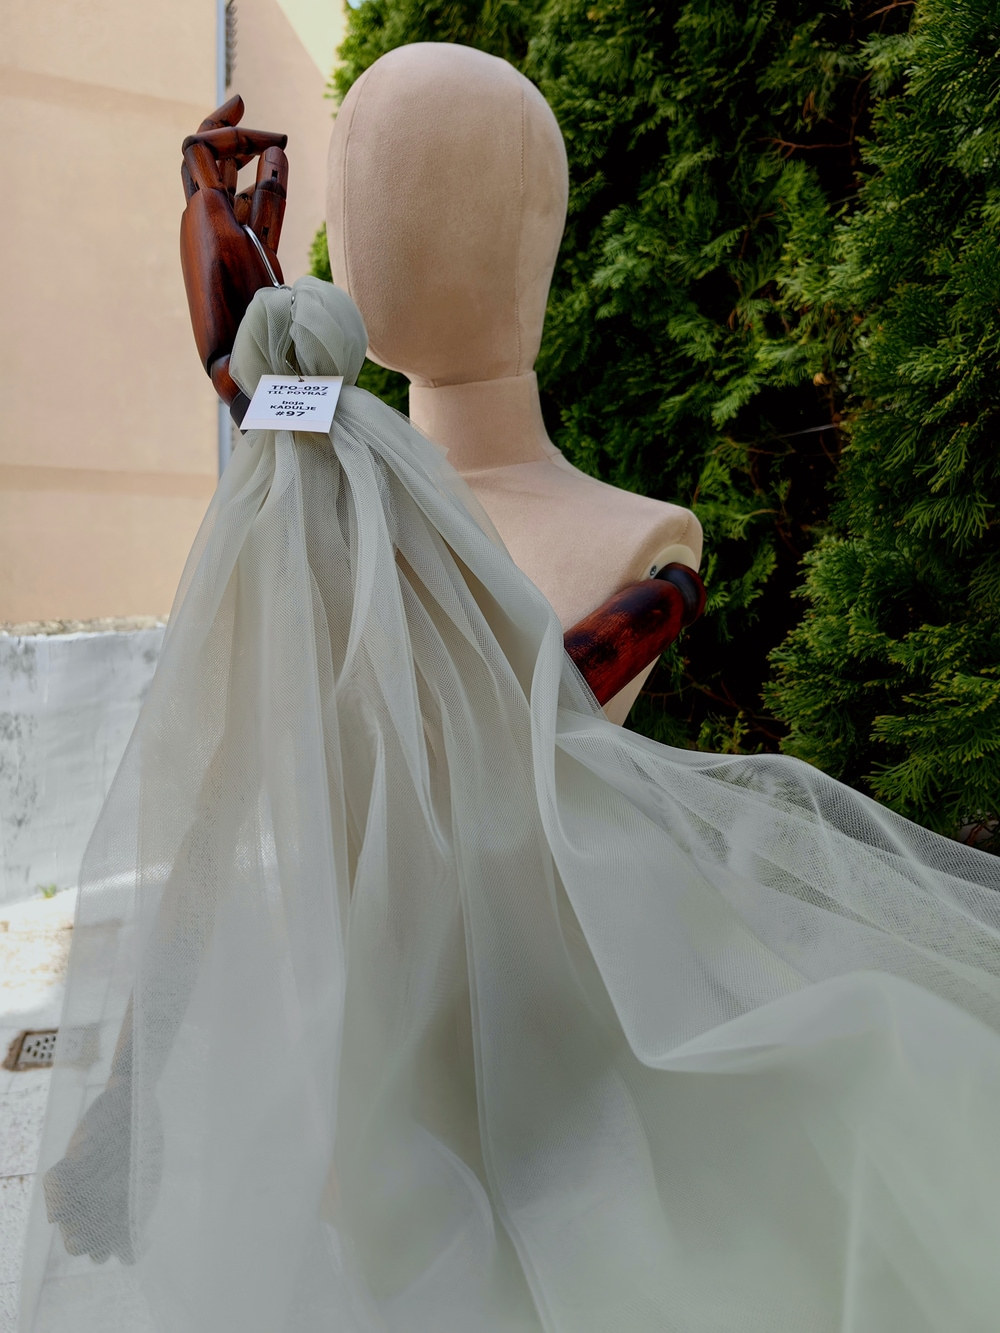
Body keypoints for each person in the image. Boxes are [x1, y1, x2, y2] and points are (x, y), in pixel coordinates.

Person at [17, 276, 1000, 1332]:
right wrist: (127, 1100)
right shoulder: (456, 565)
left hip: (434, 1083)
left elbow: (203, 859)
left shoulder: (337, 597)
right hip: (490, 1051)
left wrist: (129, 1097)